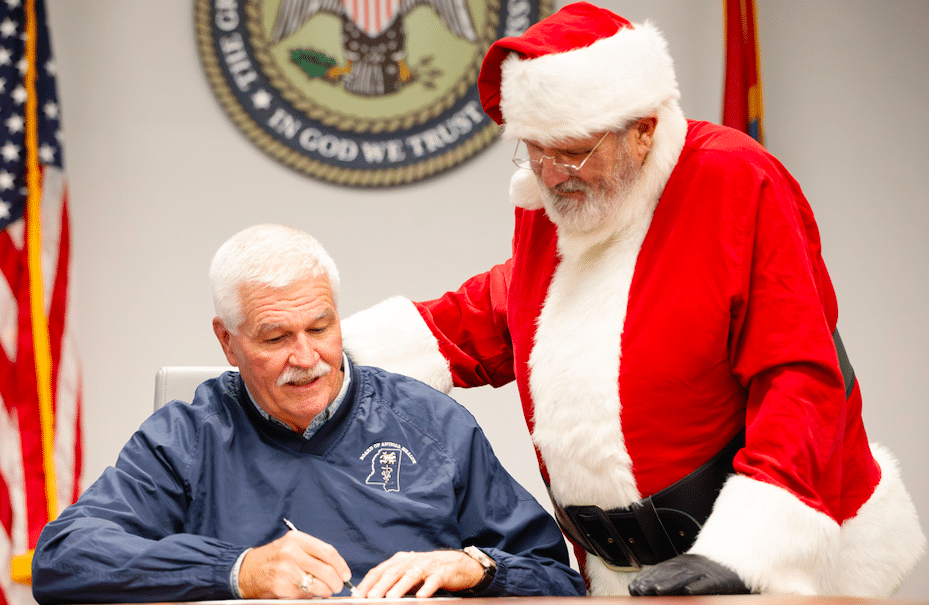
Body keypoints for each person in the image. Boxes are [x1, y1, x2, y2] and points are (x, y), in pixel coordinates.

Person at [341, 2, 925, 596]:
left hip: (775, 566)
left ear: (643, 130)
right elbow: (514, 305)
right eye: (534, 150)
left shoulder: (735, 180)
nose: (551, 172)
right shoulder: (564, 196)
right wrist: (328, 352)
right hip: (624, 573)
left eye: (573, 151)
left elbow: (802, 375)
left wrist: (748, 549)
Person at [31, 224, 585, 604]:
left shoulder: (432, 424)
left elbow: (558, 579)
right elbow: (62, 558)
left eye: (320, 328)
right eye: (275, 337)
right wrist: (239, 570)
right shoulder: (188, 437)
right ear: (227, 343)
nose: (307, 358)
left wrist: (477, 568)